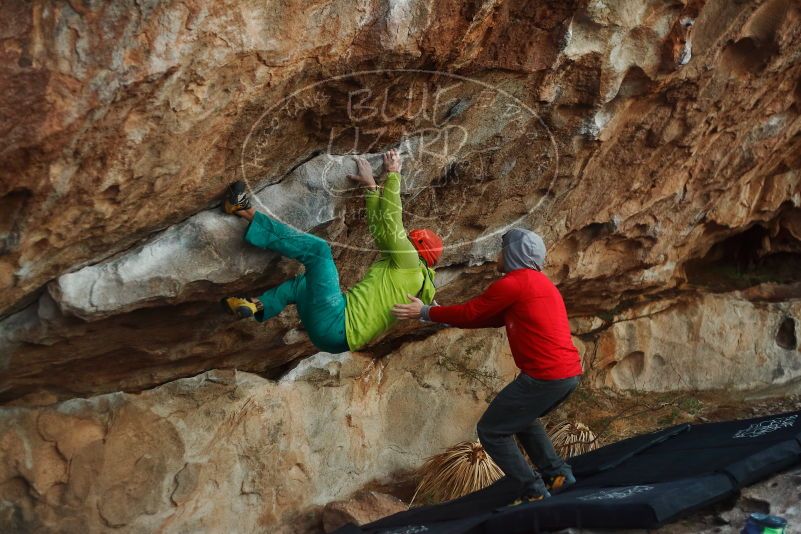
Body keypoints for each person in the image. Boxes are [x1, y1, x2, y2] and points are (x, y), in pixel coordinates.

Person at [392, 228, 582, 502]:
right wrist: (437, 314)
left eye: (503, 249)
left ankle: (533, 491)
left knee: (492, 430)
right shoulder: (539, 284)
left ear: (514, 253)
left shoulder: (514, 283)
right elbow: (488, 317)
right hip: (566, 375)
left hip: (545, 376)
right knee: (522, 419)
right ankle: (558, 477)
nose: (498, 255)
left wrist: (424, 311)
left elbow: (472, 312)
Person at [221, 149, 442, 353]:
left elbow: (392, 223)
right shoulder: (408, 276)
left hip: (338, 321)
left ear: (417, 247)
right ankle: (255, 305)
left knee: (318, 252)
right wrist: (371, 188)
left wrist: (393, 174)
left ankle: (243, 210)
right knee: (302, 286)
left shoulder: (411, 264)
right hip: (333, 338)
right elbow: (380, 230)